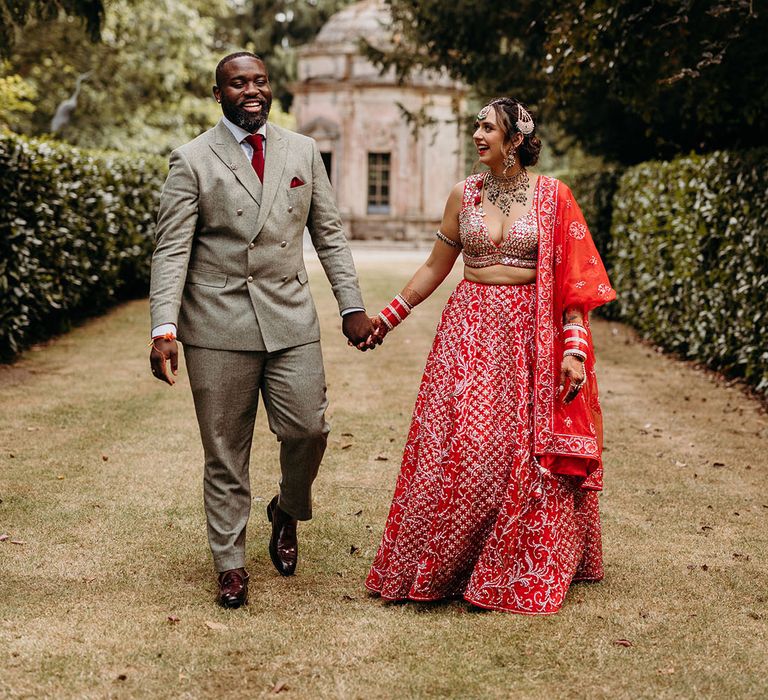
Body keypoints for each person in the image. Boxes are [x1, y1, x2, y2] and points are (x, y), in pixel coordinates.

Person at [362, 97, 616, 615]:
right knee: (467, 449)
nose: (477, 135)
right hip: (470, 332)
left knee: (518, 452)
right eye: (475, 127)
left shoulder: (554, 197)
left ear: (516, 139)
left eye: (487, 128)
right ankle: (447, 565)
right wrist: (386, 318)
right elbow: (436, 267)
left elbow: (576, 282)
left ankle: (511, 566)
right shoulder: (465, 194)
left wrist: (575, 350)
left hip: (529, 334)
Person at [149, 51, 374, 608]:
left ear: (270, 88)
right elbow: (172, 248)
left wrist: (351, 306)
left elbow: (329, 233)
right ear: (218, 92)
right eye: (237, 83)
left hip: (291, 318)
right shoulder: (192, 159)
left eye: (260, 81)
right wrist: (164, 326)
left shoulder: (302, 150)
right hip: (217, 324)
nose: (251, 90)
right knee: (225, 450)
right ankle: (230, 563)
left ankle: (287, 509)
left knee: (309, 429)